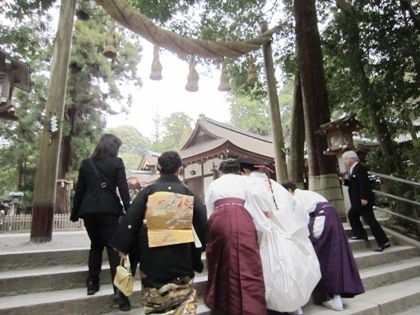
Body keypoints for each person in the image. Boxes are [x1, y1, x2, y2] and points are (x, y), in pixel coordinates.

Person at [110, 150, 207, 315]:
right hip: (181, 250)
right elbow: (202, 221)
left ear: (159, 168)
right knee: (182, 293)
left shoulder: (149, 191)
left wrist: (123, 245)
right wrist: (201, 246)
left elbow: (131, 220)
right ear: (179, 169)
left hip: (152, 251)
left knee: (154, 290)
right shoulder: (188, 192)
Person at [237, 157, 321, 315]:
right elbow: (294, 209)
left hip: (269, 235)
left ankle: (283, 306)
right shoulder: (274, 184)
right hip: (287, 231)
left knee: (275, 271)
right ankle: (295, 306)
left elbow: (256, 218)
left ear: (245, 171)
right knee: (293, 267)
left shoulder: (251, 186)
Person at [70, 134, 131, 311]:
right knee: (114, 251)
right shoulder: (117, 163)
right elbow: (123, 189)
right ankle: (120, 294)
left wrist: (75, 213)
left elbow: (80, 189)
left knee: (96, 246)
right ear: (113, 148)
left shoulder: (86, 163)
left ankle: (92, 283)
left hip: (89, 212)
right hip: (109, 211)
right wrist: (129, 211)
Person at [282, 182, 364, 312]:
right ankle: (335, 295)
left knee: (322, 257)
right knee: (335, 255)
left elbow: (302, 219)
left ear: (290, 190)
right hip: (331, 218)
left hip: (322, 219)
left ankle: (333, 295)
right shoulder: (309, 194)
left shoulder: (297, 197)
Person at [205, 160, 267, 315]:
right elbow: (255, 202)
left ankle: (222, 301)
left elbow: (209, 207)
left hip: (219, 218)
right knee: (248, 262)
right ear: (239, 170)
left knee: (220, 259)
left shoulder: (215, 184)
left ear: (221, 171)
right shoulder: (247, 181)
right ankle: (250, 306)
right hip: (242, 217)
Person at [341, 150, 390, 252]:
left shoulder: (360, 169)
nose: (345, 161)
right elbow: (353, 185)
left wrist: (365, 198)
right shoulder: (352, 170)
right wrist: (344, 181)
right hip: (356, 201)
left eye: (346, 159)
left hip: (362, 200)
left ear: (352, 158)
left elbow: (364, 184)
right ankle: (361, 234)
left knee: (371, 221)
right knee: (352, 215)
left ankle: (383, 242)